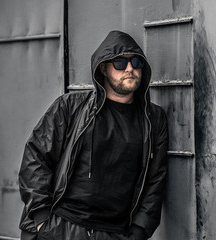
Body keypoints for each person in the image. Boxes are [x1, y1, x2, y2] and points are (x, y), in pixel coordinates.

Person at [18, 30, 169, 240]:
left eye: (136, 62)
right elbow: (36, 156)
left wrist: (140, 231)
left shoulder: (154, 119)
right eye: (119, 63)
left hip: (113, 232)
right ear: (104, 69)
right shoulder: (70, 107)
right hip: (62, 226)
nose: (129, 68)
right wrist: (43, 218)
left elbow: (155, 180)